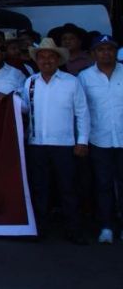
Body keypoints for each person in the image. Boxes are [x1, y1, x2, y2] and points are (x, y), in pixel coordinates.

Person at [21, 38, 90, 244]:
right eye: (42, 57)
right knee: (40, 188)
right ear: (37, 60)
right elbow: (24, 108)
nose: (46, 60)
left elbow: (82, 113)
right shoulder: (30, 82)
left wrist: (82, 141)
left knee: (68, 188)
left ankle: (73, 230)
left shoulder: (71, 82)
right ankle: (39, 229)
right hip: (37, 144)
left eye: (50, 56)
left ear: (58, 59)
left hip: (64, 145)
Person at [77, 35, 123, 244]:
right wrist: (82, 140)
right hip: (98, 140)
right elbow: (80, 111)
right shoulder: (84, 77)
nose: (106, 53)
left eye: (110, 49)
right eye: (101, 49)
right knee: (103, 185)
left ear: (116, 52)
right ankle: (106, 226)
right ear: (94, 53)